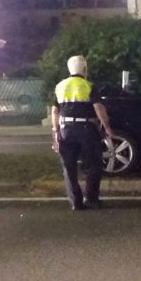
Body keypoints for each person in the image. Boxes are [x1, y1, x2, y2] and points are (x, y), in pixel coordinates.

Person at [51, 55, 114, 210]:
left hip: (66, 129)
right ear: (84, 69)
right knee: (93, 164)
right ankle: (91, 199)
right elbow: (98, 108)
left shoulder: (60, 86)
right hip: (87, 129)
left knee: (69, 167)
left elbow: (54, 111)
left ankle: (75, 202)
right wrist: (107, 127)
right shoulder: (88, 85)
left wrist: (56, 131)